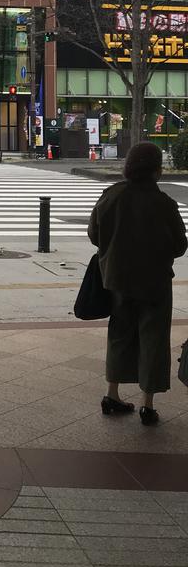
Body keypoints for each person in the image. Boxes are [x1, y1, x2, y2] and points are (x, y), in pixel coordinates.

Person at [88, 142, 186, 425]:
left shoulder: (111, 195)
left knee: (119, 334)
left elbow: (95, 234)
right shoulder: (164, 203)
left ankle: (112, 394)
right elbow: (180, 245)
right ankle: (147, 404)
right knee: (153, 339)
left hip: (117, 279)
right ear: (156, 169)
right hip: (154, 283)